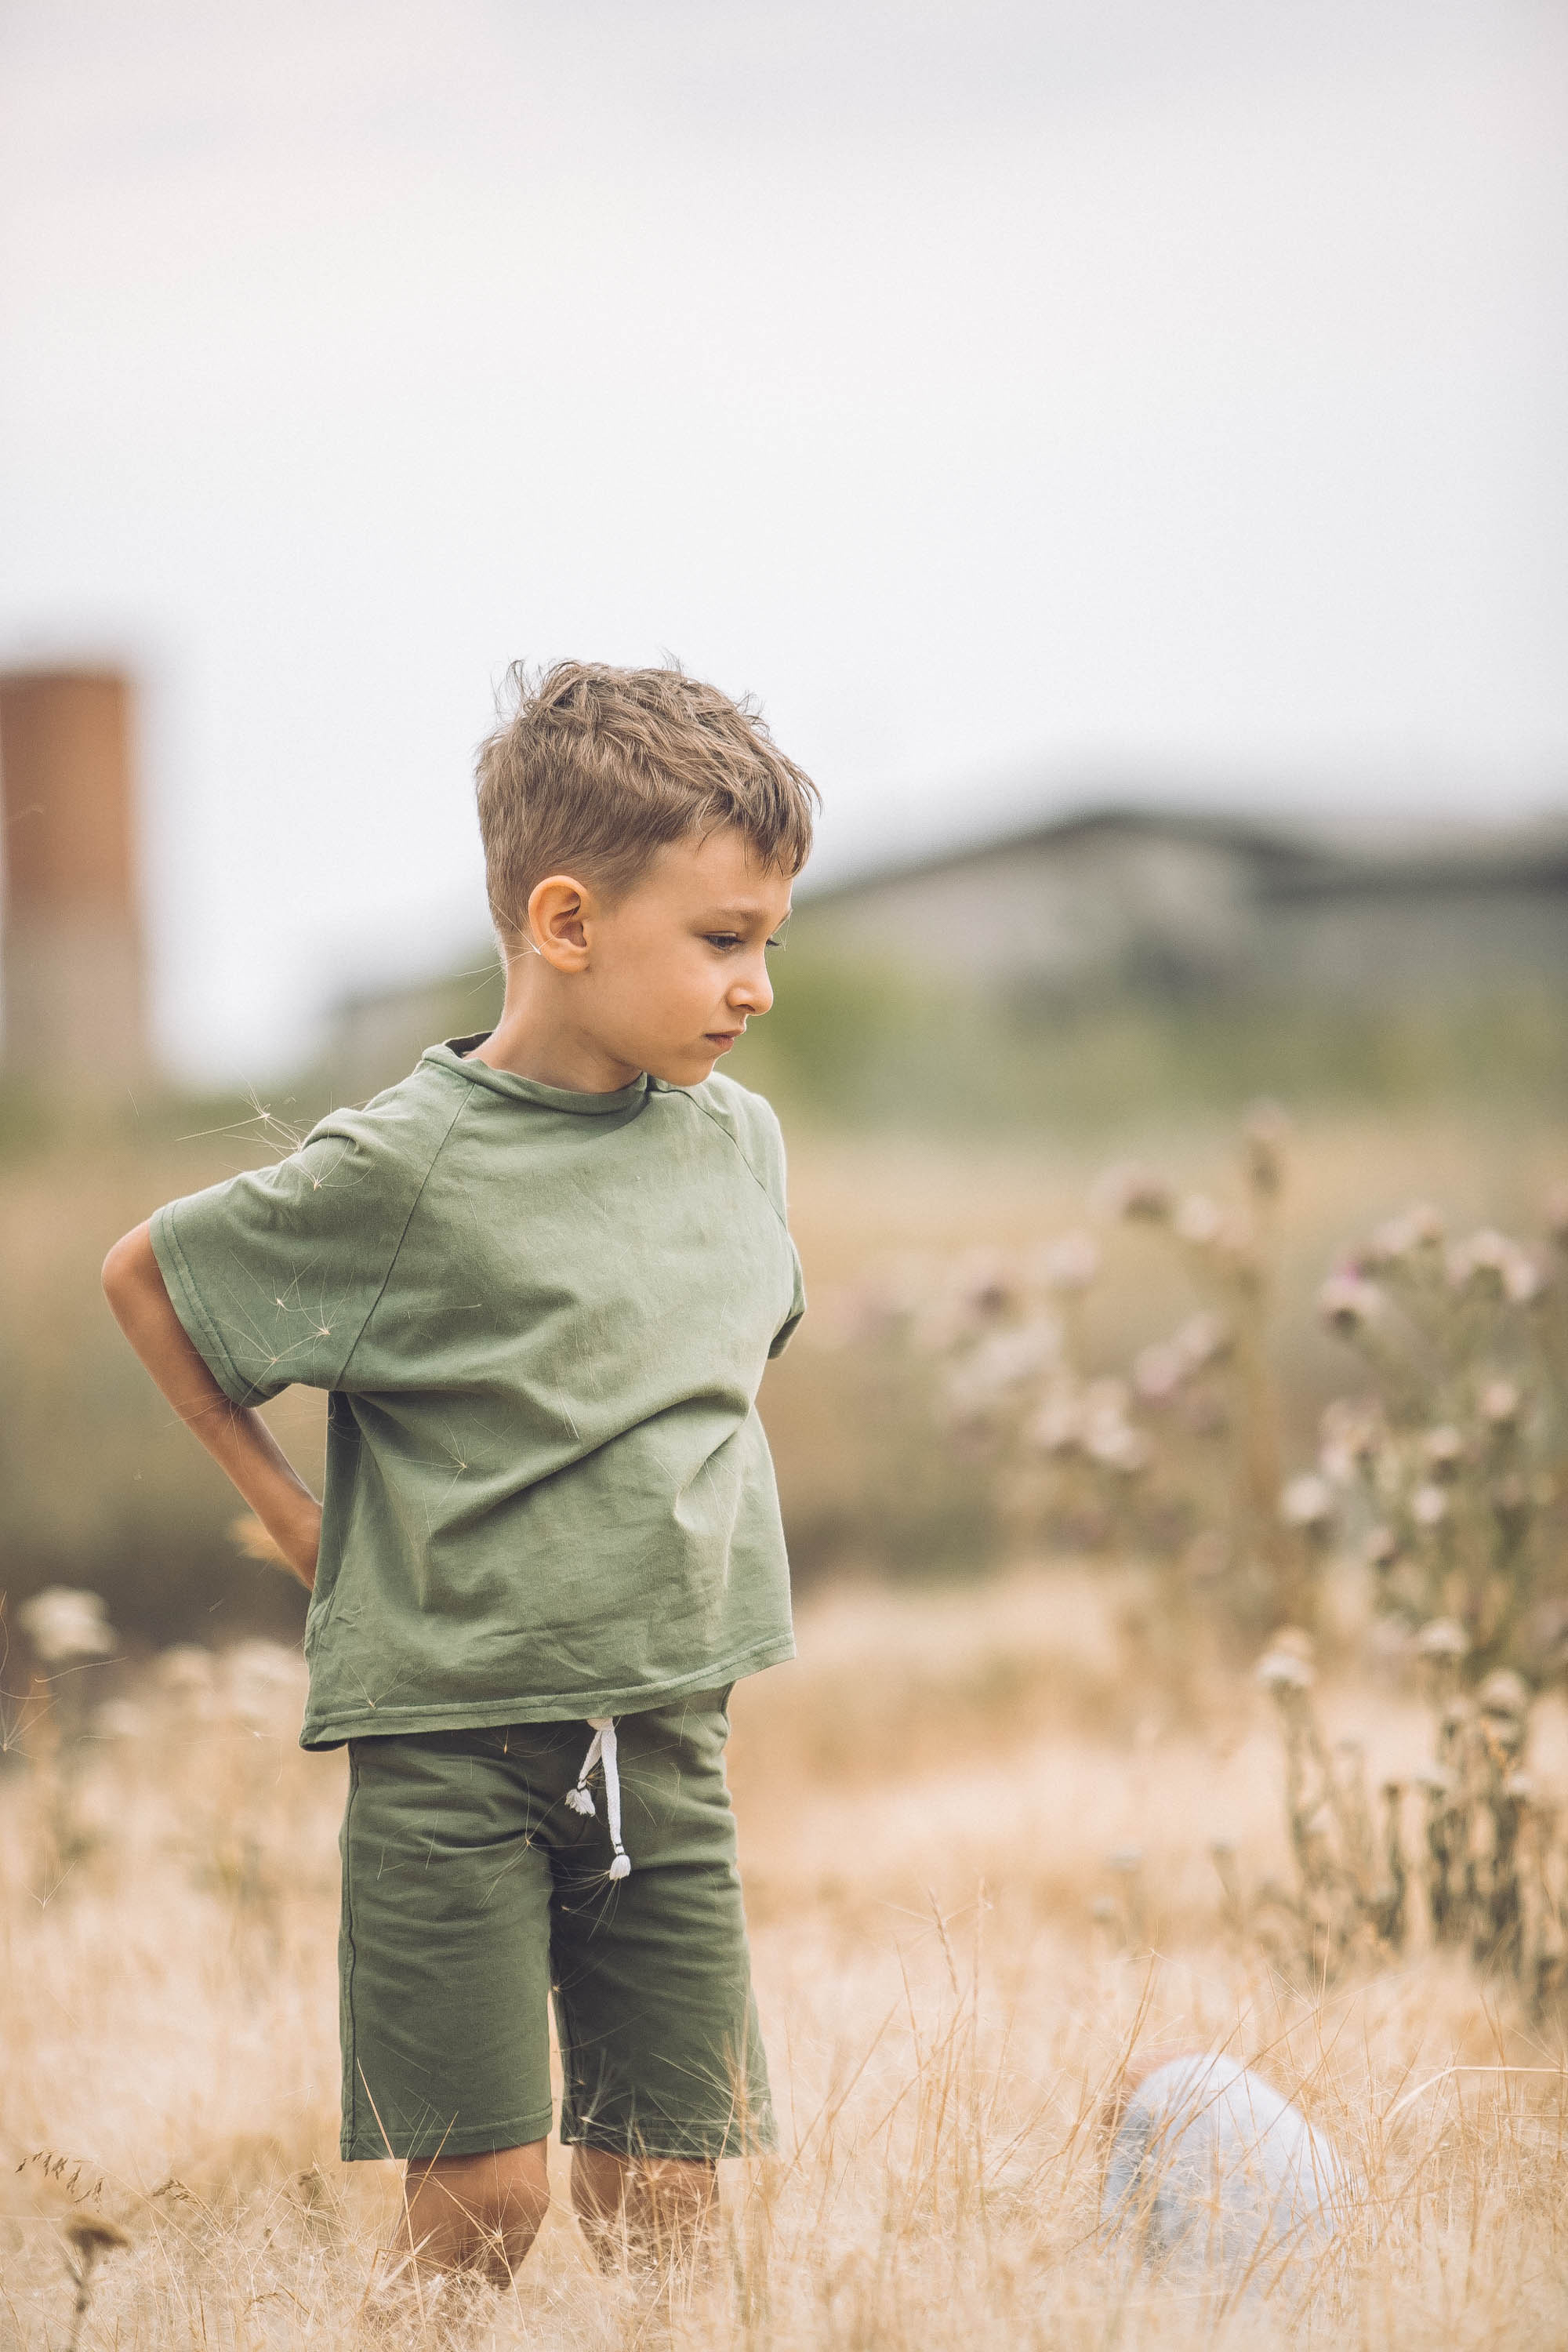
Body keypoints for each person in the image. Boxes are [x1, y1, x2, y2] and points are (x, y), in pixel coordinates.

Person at [102, 660, 818, 2288]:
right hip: (450, 1753)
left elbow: (690, 1379)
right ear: (564, 923)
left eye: (771, 938)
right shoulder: (404, 1167)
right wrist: (295, 1517)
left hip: (664, 1745)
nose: (757, 984)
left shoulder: (740, 1144)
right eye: (723, 939)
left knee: (671, 2201)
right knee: (480, 2200)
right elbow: (151, 1279)